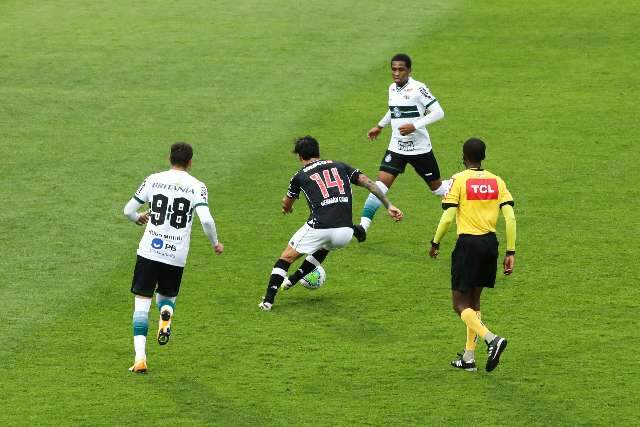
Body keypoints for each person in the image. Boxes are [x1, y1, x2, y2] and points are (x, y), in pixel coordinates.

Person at [259, 136, 404, 311]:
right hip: (343, 233)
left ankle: (267, 301)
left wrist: (286, 209)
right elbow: (369, 183)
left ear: (300, 157)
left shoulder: (299, 176)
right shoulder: (340, 165)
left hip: (320, 227)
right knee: (325, 246)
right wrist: (389, 205)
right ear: (318, 151)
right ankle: (292, 280)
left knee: (286, 258)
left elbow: (287, 203)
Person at [123, 142, 224, 373]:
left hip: (149, 249)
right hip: (175, 254)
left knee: (141, 304)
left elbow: (128, 210)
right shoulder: (197, 186)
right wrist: (215, 243)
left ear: (169, 158)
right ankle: (166, 314)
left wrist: (138, 218)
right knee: (166, 298)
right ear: (190, 162)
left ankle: (140, 358)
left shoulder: (153, 179)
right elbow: (206, 220)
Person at [428, 138, 516, 373]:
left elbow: (448, 217)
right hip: (490, 244)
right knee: (474, 303)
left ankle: (492, 339)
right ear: (483, 157)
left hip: (468, 245)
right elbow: (509, 217)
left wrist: (435, 242)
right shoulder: (497, 181)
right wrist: (510, 251)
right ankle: (468, 357)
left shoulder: (459, 180)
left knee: (459, 305)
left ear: (464, 157)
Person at [357, 53, 450, 239]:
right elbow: (394, 109)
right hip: (397, 147)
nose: (396, 73)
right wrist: (380, 125)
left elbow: (439, 112)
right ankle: (362, 228)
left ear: (409, 70)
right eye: (393, 69)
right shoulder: (392, 88)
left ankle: (461, 184)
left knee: (438, 189)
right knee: (378, 186)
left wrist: (415, 125)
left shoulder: (418, 88)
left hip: (420, 149)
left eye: (401, 69)